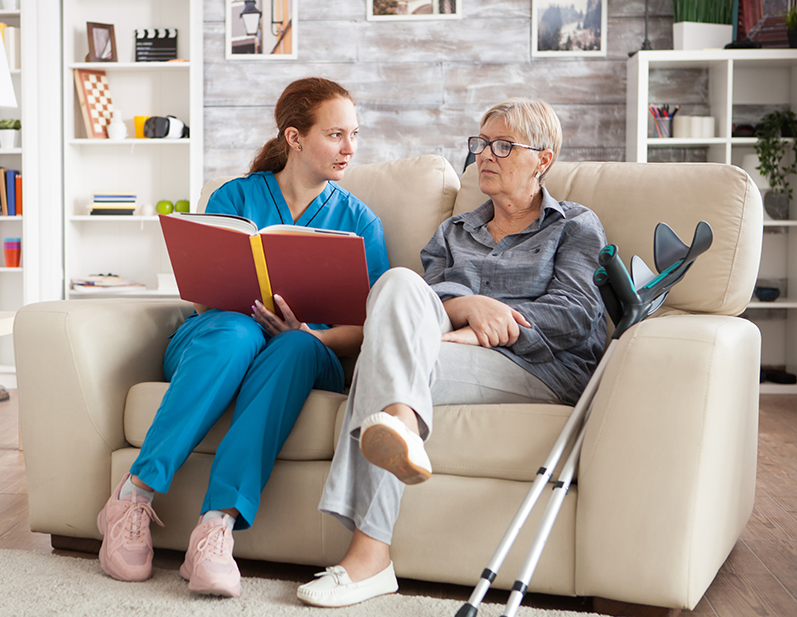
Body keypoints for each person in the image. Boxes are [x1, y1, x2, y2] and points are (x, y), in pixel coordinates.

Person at [297, 97, 608, 607]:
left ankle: (370, 553)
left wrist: (487, 326)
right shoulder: (453, 231)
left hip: (540, 367)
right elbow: (426, 301)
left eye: (503, 145)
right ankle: (400, 423)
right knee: (396, 283)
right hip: (447, 350)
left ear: (543, 159)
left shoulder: (574, 225)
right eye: (481, 144)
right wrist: (468, 305)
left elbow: (574, 314)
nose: (485, 155)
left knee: (385, 357)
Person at [96, 77, 390, 598]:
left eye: (355, 135)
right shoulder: (234, 196)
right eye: (336, 134)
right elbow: (203, 296)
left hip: (308, 352)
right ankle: (132, 497)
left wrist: (307, 332)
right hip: (220, 334)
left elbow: (368, 327)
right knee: (234, 332)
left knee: (297, 345)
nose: (350, 149)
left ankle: (216, 529)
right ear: (295, 138)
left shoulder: (359, 221)